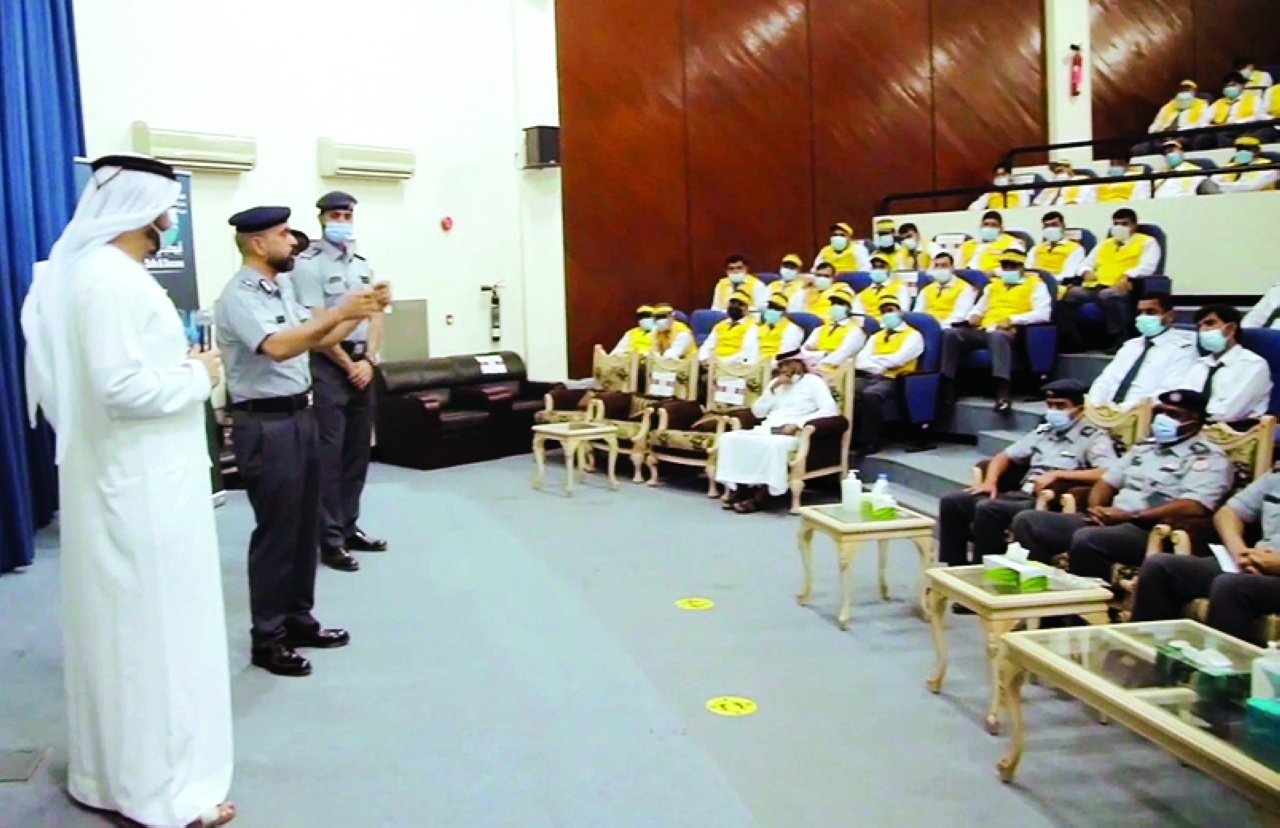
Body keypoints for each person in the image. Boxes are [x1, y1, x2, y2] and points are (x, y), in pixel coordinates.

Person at [20, 154, 235, 828]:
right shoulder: (109, 281)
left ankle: (114, 779)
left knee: (125, 635)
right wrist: (198, 375)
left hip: (131, 481)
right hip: (140, 489)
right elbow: (120, 388)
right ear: (143, 210)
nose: (170, 222)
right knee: (155, 640)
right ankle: (161, 795)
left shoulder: (94, 276)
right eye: (166, 209)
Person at [215, 206, 385, 677]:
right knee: (277, 533)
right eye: (284, 233)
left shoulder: (282, 286)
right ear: (257, 243)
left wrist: (361, 310)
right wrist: (340, 311)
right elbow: (278, 346)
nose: (294, 241)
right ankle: (268, 638)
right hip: (265, 425)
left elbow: (315, 338)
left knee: (305, 526)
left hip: (300, 414)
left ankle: (298, 619)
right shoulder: (239, 296)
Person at [1011, 389, 1231, 580]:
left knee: (1088, 539)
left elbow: (1194, 505)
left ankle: (1086, 608)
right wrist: (1097, 510)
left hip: (1147, 529)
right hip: (1111, 520)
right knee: (1029, 521)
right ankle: (1038, 596)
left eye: (1173, 415)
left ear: (1194, 422)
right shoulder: (1146, 447)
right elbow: (1107, 481)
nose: (1163, 419)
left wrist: (1130, 516)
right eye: (1161, 412)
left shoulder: (1208, 458)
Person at [291, 191, 389, 573]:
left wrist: (369, 360)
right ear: (321, 218)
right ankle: (330, 540)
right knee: (329, 456)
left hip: (362, 364)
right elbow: (317, 326)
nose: (342, 221)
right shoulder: (308, 265)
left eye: (347, 215)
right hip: (329, 365)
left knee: (357, 453)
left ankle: (349, 527)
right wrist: (349, 364)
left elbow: (376, 315)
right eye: (335, 215)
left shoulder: (361, 264)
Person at [937, 380, 1116, 570]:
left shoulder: (1093, 437)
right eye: (1050, 405)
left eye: (1061, 406)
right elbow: (1004, 456)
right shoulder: (1044, 431)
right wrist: (990, 481)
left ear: (1079, 409)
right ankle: (954, 567)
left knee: (988, 508)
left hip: (1044, 502)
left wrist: (1058, 475)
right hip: (1020, 493)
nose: (1054, 411)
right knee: (953, 501)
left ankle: (982, 571)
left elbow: (1107, 471)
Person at [1130, 469, 1280, 646]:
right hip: (1254, 561)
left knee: (1231, 586)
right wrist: (1239, 552)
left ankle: (1225, 663)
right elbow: (1227, 513)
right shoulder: (1274, 478)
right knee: (1160, 567)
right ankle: (1149, 653)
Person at [715, 349, 838, 513]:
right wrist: (771, 390)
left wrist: (798, 424)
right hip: (767, 428)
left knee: (774, 446)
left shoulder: (813, 382)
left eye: (788, 365)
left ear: (799, 364)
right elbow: (758, 413)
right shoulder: (775, 384)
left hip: (794, 433)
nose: (784, 369)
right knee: (729, 439)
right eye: (781, 366)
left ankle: (762, 498)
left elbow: (830, 410)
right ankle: (741, 490)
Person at [940, 247, 1052, 413]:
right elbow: (980, 308)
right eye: (1005, 266)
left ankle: (1002, 391)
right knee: (951, 334)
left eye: (1013, 266)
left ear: (1022, 267)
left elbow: (1043, 314)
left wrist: (1013, 319)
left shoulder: (1036, 285)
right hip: (984, 328)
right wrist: (974, 315)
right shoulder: (993, 285)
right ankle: (948, 387)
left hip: (1012, 332)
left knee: (997, 336)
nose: (1008, 269)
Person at [1061, 208, 1161, 351]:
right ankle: (1075, 340)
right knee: (1069, 294)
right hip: (1096, 285)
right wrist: (1085, 271)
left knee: (1107, 295)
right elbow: (1087, 262)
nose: (1119, 227)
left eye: (1124, 224)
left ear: (1134, 225)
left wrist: (1129, 275)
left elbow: (1148, 266)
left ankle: (1120, 337)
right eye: (1116, 224)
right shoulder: (1105, 243)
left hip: (1124, 285)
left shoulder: (1147, 242)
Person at [1086, 293, 1197, 409]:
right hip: (1106, 412)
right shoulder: (1130, 346)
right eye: (1140, 312)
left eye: (1150, 312)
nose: (1143, 317)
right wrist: (1095, 405)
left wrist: (1123, 409)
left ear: (1170, 316)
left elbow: (1169, 390)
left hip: (1145, 412)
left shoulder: (1183, 348)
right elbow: (1104, 380)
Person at [851, 298, 924, 456]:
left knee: (870, 395)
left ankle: (869, 442)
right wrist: (878, 365)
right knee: (847, 390)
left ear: (900, 312)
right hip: (870, 375)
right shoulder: (876, 336)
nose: (887, 314)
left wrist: (875, 361)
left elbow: (898, 360)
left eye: (891, 310)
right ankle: (850, 439)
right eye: (883, 312)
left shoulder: (913, 336)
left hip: (896, 379)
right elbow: (860, 360)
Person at [1186, 304, 1272, 423]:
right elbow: (1181, 401)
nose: (1203, 330)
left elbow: (1229, 413)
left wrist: (1187, 416)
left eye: (1210, 323)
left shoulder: (1253, 365)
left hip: (1236, 430)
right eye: (1199, 326)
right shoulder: (1200, 365)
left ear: (1230, 328)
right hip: (1193, 427)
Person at [800, 284, 866, 371]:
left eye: (840, 304)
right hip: (811, 367)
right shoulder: (821, 328)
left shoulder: (856, 331)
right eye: (833, 303)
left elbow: (841, 355)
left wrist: (816, 355)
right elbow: (804, 350)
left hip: (835, 371)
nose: (835, 306)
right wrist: (824, 354)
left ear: (850, 309)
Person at [1195, 71, 1264, 150]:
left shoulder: (1253, 98)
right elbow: (1203, 121)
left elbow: (1257, 116)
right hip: (1220, 129)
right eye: (1227, 86)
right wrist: (1213, 126)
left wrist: (1233, 123)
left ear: (1243, 85)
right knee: (1202, 138)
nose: (1229, 88)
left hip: (1243, 128)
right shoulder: (1218, 102)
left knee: (1222, 134)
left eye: (1233, 85)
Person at [913, 253, 976, 328]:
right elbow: (917, 312)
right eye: (936, 266)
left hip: (948, 327)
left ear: (952, 267)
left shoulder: (965, 288)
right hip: (925, 326)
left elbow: (960, 316)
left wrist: (936, 326)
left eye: (944, 265)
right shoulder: (926, 289)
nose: (939, 269)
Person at [1141, 80, 1208, 150]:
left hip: (1186, 134)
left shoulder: (1202, 104)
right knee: (1145, 146)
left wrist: (1182, 130)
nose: (1185, 92)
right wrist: (1156, 131)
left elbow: (1202, 124)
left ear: (1194, 92)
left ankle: (1172, 145)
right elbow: (1156, 123)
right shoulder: (1168, 105)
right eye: (1182, 89)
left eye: (1188, 89)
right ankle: (1167, 144)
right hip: (1165, 135)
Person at [699, 290, 759, 365]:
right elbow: (707, 346)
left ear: (747, 309)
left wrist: (722, 362)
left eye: (740, 304)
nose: (735, 307)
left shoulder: (751, 327)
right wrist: (704, 359)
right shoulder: (719, 325)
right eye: (732, 303)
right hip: (713, 363)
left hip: (735, 365)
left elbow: (746, 353)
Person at [1026, 211, 1085, 283]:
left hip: (1056, 283)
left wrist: (1047, 281)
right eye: (1047, 226)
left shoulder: (1076, 249)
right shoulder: (1036, 248)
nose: (1051, 229)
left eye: (1054, 225)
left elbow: (1068, 274)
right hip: (1033, 282)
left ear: (1063, 226)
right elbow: (1028, 268)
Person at [1209, 135, 1278, 194]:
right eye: (1239, 149)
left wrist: (1221, 187)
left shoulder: (1268, 167)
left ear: (1257, 151)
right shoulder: (1231, 165)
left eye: (1247, 149)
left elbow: (1250, 187)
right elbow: (1212, 181)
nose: (1242, 152)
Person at [852, 253, 910, 320]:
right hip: (869, 324)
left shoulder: (899, 288)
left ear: (888, 269)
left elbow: (903, 310)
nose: (877, 270)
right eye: (874, 267)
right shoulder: (862, 293)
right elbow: (857, 314)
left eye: (881, 267)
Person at [756, 293, 805, 363]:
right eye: (770, 307)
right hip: (757, 362)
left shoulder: (792, 329)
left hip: (778, 363)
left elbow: (786, 354)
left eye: (776, 308)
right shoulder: (760, 328)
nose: (772, 310)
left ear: (784, 312)